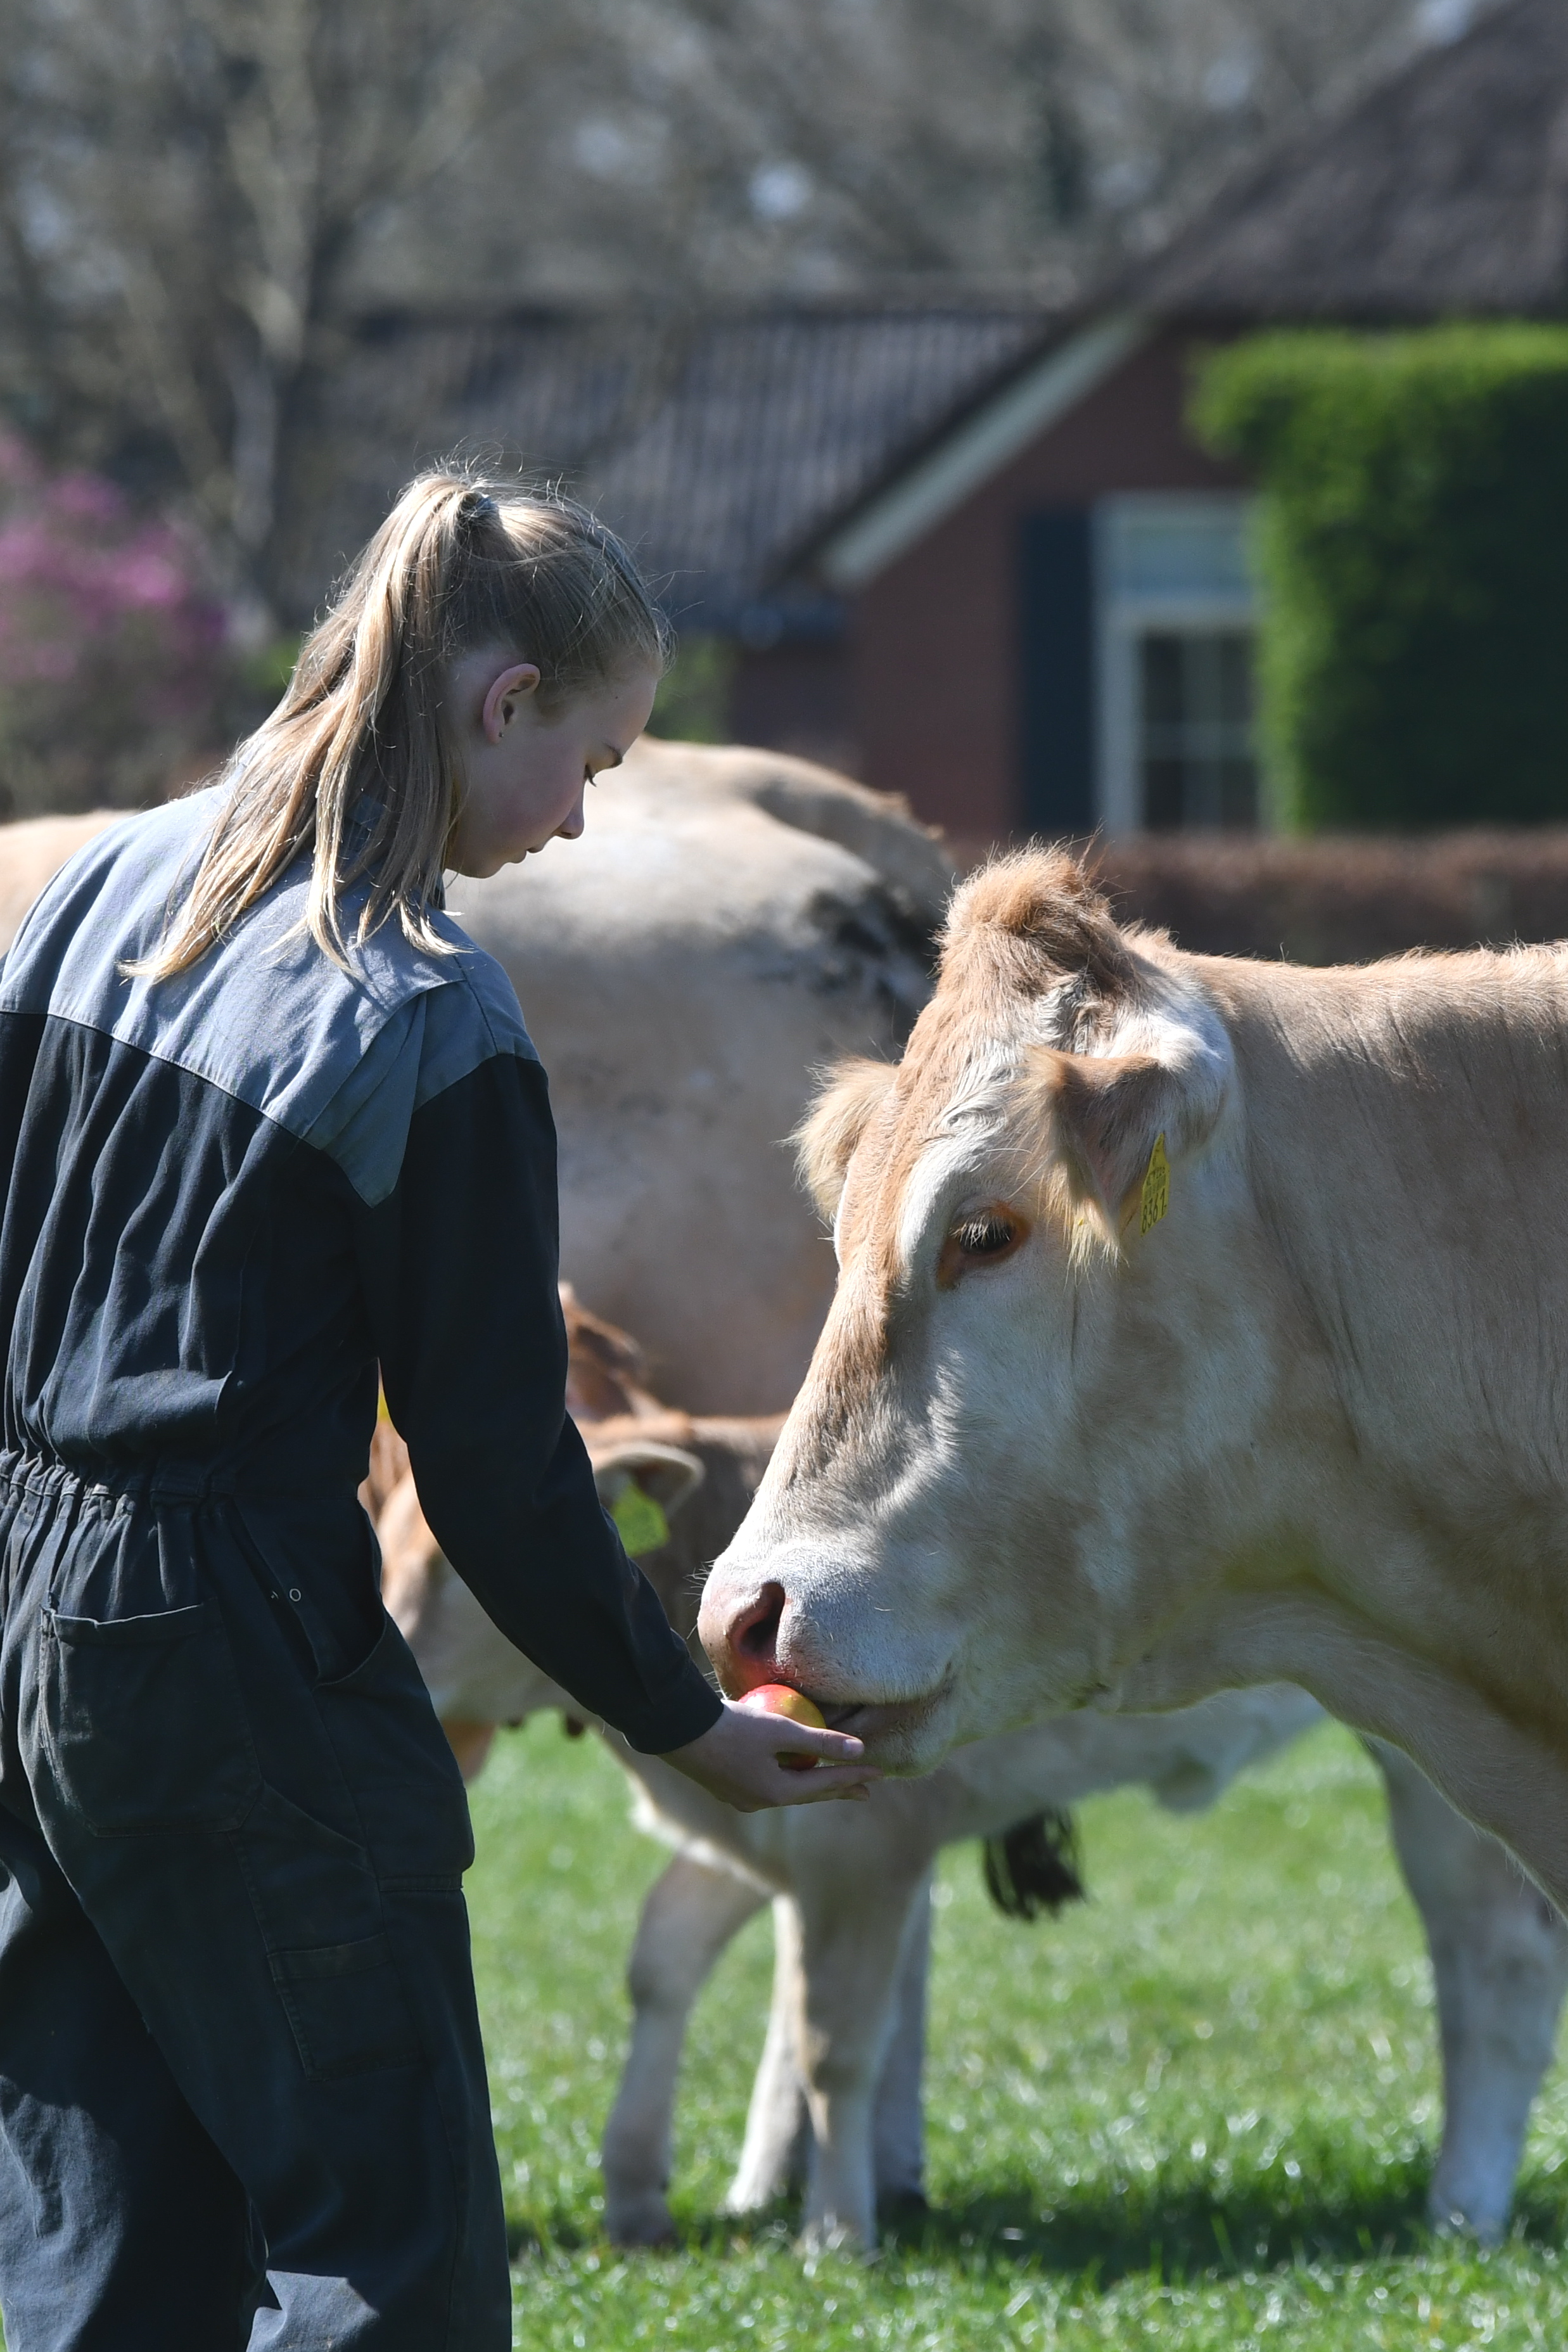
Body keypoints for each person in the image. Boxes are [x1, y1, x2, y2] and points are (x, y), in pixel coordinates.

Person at [0, 470, 876, 2351]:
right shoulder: (422, 1013)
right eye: (593, 759)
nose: (579, 816)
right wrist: (676, 1721)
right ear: (502, 704)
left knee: (102, 2235)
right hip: (235, 1642)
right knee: (381, 2249)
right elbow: (489, 1461)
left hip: (28, 1626)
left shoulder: (95, 891)